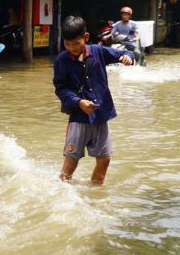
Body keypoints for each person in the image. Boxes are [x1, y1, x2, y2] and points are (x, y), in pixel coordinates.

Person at [53, 16, 134, 185]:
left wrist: (128, 57)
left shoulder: (99, 51)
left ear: (86, 37)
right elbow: (61, 88)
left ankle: (95, 198)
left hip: (100, 116)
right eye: (67, 44)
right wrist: (78, 102)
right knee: (70, 163)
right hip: (78, 118)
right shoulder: (62, 60)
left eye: (76, 43)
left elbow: (125, 52)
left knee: (104, 160)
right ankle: (61, 195)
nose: (72, 48)